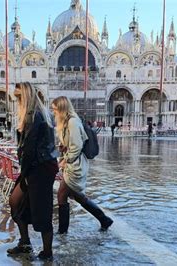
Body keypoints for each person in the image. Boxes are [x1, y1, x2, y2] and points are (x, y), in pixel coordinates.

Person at [7, 82, 59, 261]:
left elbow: (29, 149)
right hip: (36, 167)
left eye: (19, 98)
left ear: (26, 97)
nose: (17, 101)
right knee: (15, 201)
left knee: (42, 209)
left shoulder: (34, 116)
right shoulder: (35, 115)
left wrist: (26, 175)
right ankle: (25, 243)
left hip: (40, 168)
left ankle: (47, 252)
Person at [51, 96, 113, 235]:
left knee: (62, 195)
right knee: (78, 197)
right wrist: (62, 147)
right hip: (72, 164)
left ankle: (62, 231)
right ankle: (104, 219)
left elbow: (76, 147)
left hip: (75, 165)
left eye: (55, 110)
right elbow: (71, 143)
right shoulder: (67, 122)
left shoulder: (72, 122)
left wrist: (65, 160)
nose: (54, 112)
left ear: (62, 109)